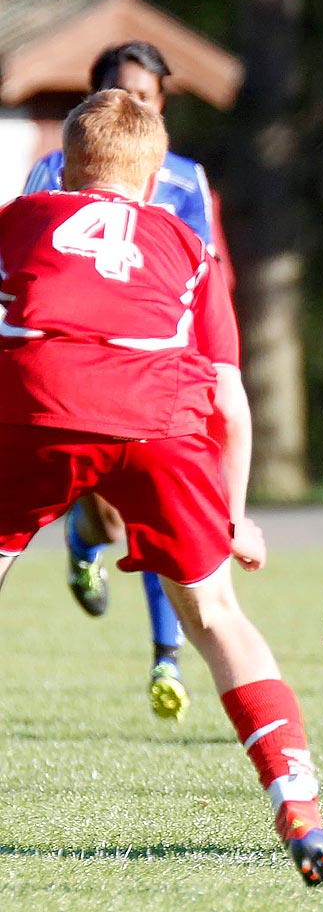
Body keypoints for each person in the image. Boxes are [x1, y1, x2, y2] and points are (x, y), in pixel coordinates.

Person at [0, 90, 323, 886]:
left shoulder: (16, 220)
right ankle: (295, 799)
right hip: (158, 424)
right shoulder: (190, 246)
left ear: (60, 161)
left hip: (38, 407)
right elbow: (229, 399)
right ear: (157, 171)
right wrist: (232, 516)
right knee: (217, 615)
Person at [24, 40, 232, 721]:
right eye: (121, 90)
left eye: (145, 93)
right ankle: (85, 535)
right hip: (79, 360)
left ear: (162, 103)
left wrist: (213, 355)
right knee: (115, 506)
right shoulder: (54, 170)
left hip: (164, 353)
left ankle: (166, 656)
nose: (134, 102)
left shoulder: (186, 178)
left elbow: (206, 266)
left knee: (158, 512)